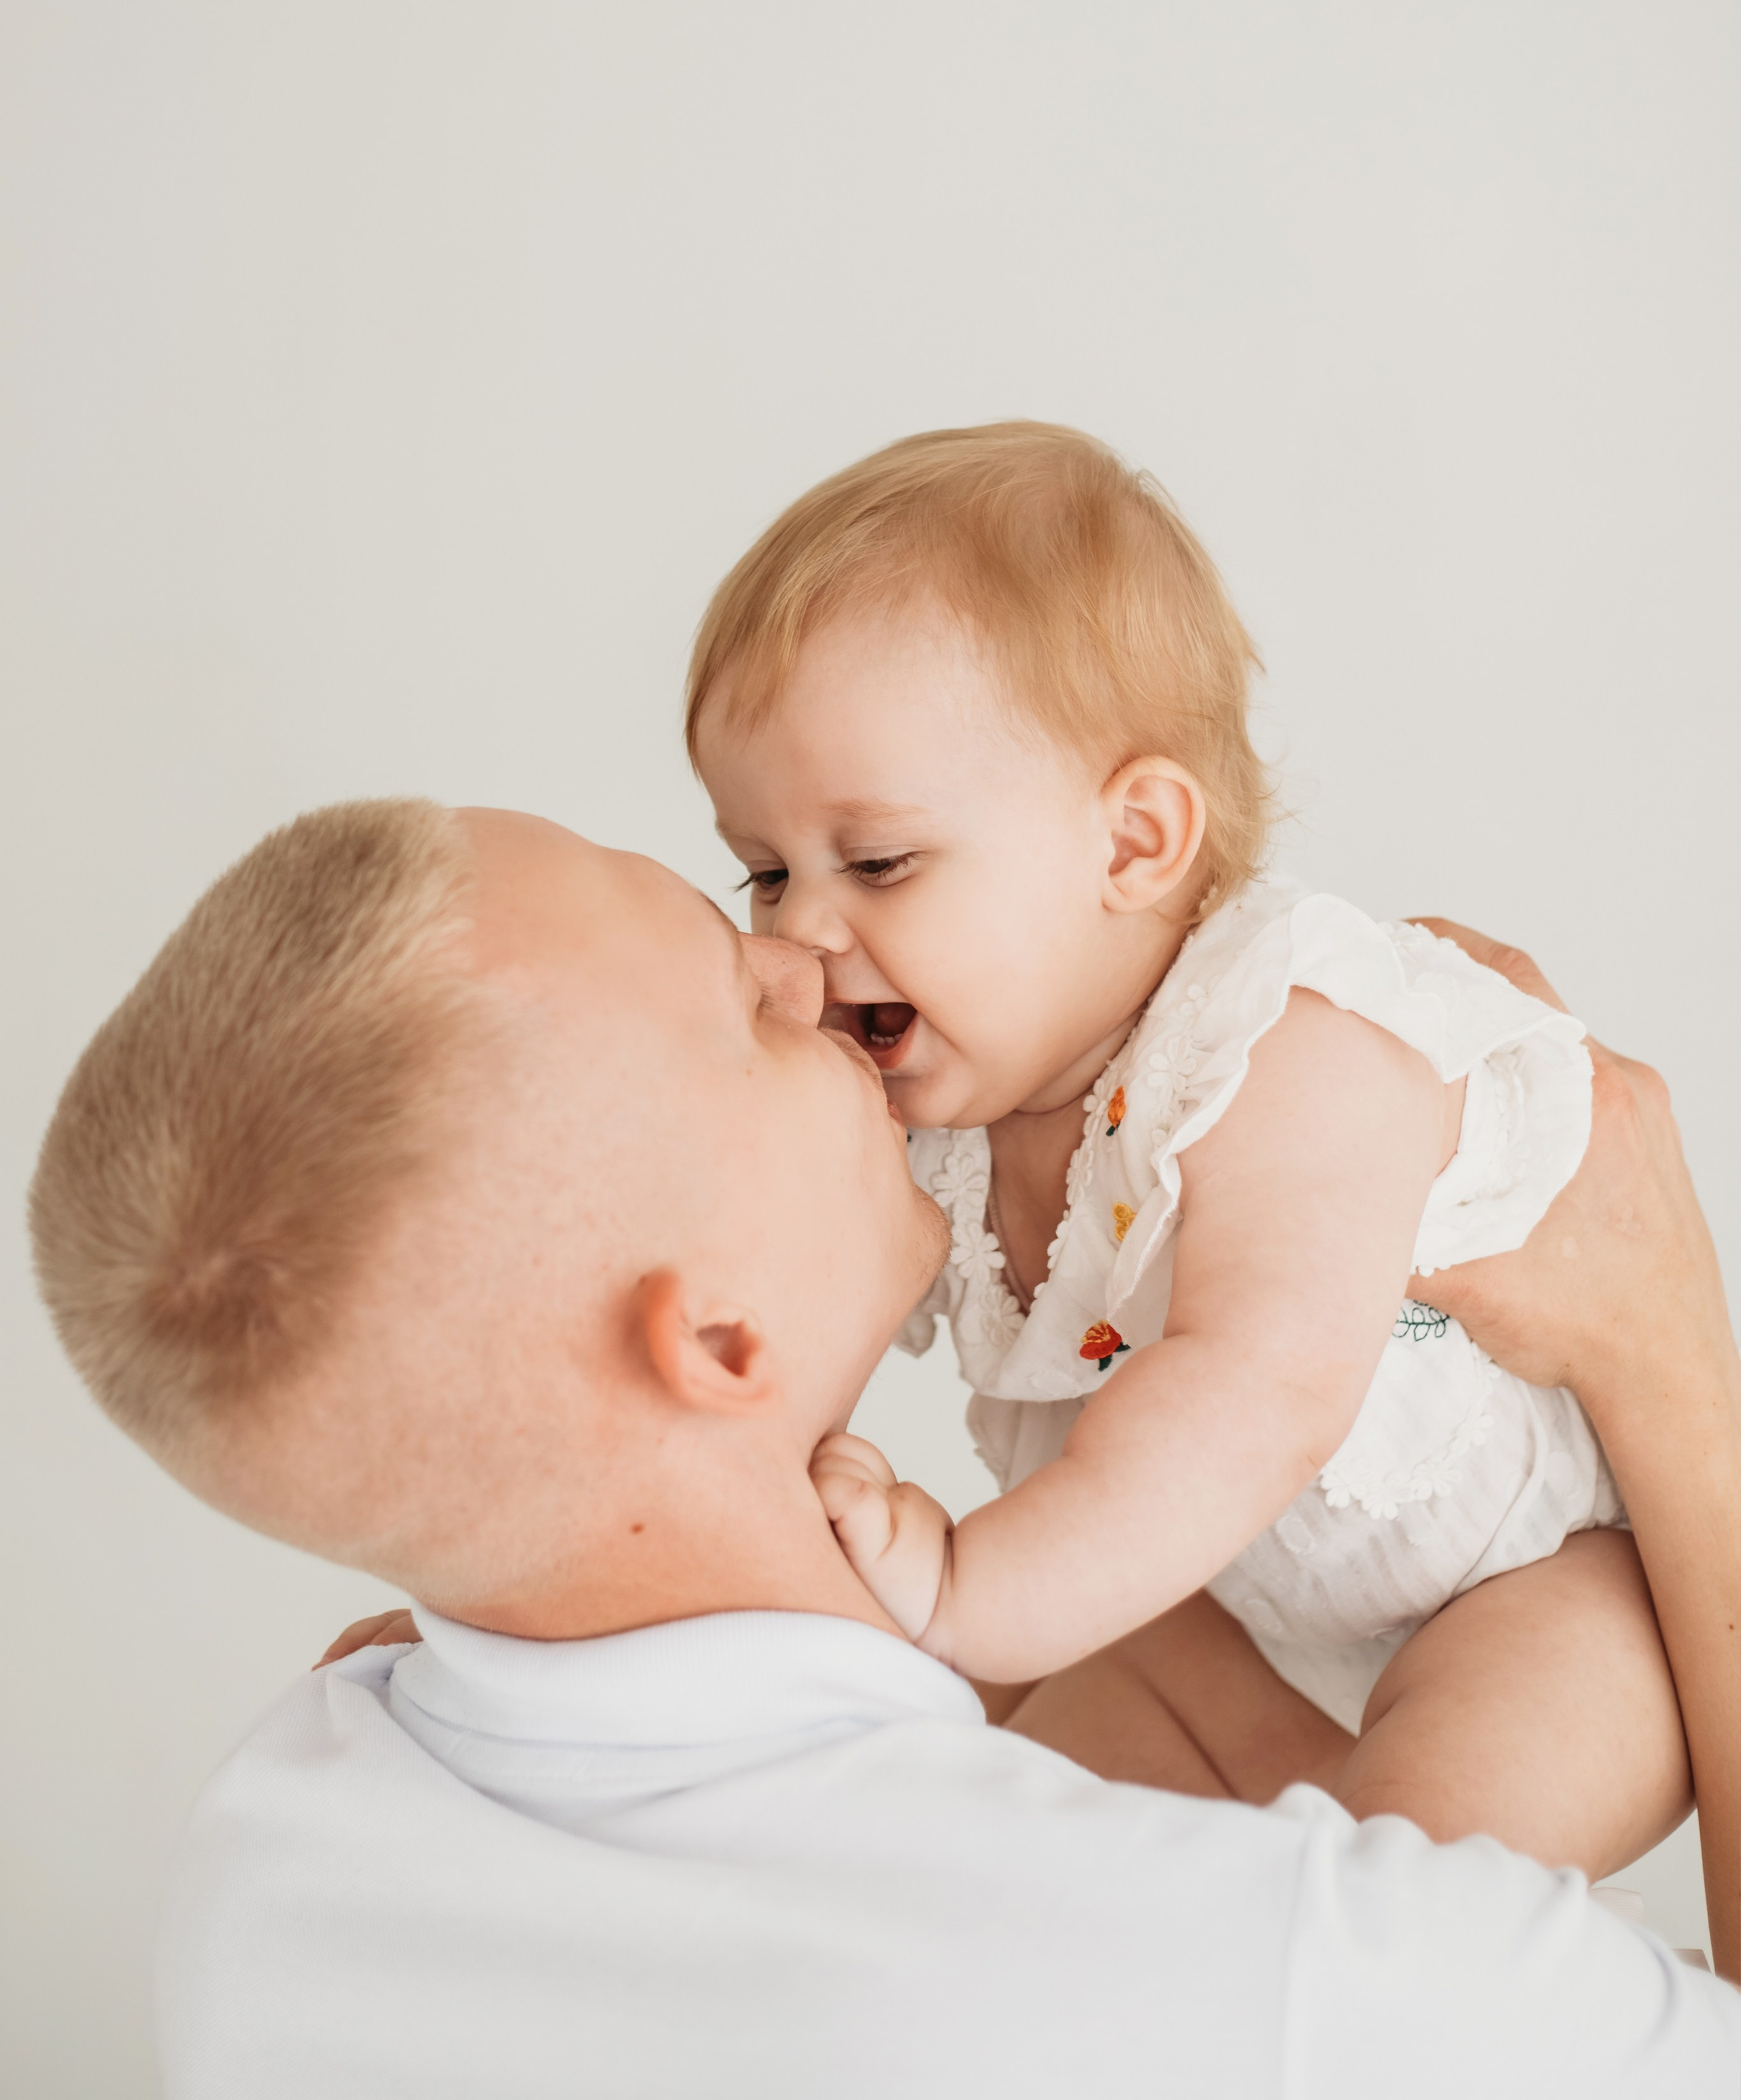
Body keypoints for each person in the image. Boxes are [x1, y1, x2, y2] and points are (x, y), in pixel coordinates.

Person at [27, 799, 1739, 2094]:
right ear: (718, 1344)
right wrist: (1668, 1355)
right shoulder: (1301, 1973)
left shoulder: (279, 1858)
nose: (803, 958)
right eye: (743, 998)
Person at [686, 422, 1685, 1878]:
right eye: (766, 871)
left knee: (1393, 1898)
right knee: (988, 1862)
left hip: (1536, 1601)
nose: (799, 933)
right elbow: (747, 1347)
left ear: (1134, 845)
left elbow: (1257, 1388)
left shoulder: (1281, 1043)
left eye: (878, 863)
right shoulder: (942, 1123)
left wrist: (963, 1588)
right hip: (1243, 1619)